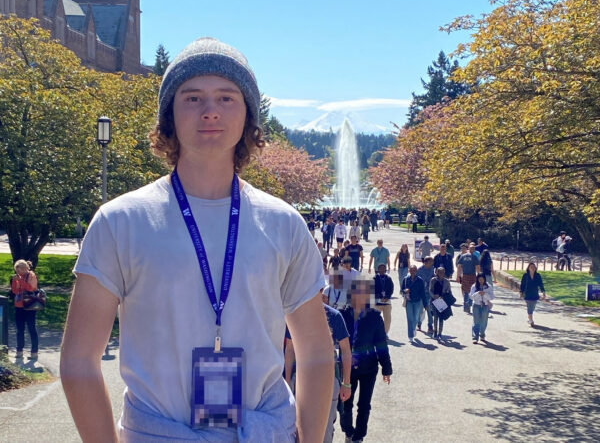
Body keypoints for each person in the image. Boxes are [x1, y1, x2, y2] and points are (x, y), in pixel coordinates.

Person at [60, 38, 334, 442]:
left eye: (226, 97)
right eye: (192, 98)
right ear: (169, 114)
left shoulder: (283, 223)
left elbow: (315, 352)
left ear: (248, 116)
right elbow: (79, 360)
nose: (209, 111)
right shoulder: (121, 221)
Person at [284, 300, 352, 443]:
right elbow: (289, 350)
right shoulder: (294, 315)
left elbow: (346, 350)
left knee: (325, 429)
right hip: (300, 379)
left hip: (327, 379)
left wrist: (346, 383)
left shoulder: (334, 316)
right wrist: (288, 381)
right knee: (298, 426)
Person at [340, 279, 392, 442]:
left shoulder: (375, 317)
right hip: (347, 366)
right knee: (344, 404)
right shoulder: (342, 315)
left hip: (369, 367)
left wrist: (386, 368)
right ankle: (348, 431)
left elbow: (381, 344)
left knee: (364, 405)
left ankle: (358, 436)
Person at [10, 259, 39, 360]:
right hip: (19, 305)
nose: (18, 273)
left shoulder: (31, 275)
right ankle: (19, 351)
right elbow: (14, 291)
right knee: (20, 329)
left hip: (30, 305)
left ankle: (34, 352)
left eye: (19, 270)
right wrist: (14, 281)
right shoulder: (17, 277)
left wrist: (21, 280)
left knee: (31, 328)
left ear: (24, 268)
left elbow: (31, 288)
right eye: (16, 271)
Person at [401, 265, 428, 343]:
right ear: (409, 270)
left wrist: (425, 304)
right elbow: (402, 289)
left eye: (414, 270)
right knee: (410, 318)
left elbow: (423, 293)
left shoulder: (420, 280)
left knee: (416, 318)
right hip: (408, 301)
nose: (412, 272)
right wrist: (404, 291)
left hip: (417, 301)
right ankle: (410, 335)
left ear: (416, 271)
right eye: (411, 270)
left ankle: (413, 328)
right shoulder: (405, 279)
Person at [428, 267, 452, 340]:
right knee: (435, 317)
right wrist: (434, 296)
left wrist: (445, 294)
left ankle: (440, 333)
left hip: (442, 301)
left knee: (441, 317)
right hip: (435, 301)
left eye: (442, 272)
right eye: (439, 272)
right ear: (436, 272)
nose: (441, 273)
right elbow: (430, 290)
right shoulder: (433, 280)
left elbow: (449, 291)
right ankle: (435, 332)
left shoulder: (446, 281)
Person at [469, 273, 494, 344]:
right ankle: (475, 337)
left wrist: (485, 294)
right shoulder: (474, 286)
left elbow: (492, 297)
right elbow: (471, 296)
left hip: (485, 305)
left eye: (482, 279)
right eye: (479, 279)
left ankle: (482, 334)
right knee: (476, 321)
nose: (481, 281)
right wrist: (477, 293)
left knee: (484, 321)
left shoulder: (488, 286)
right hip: (476, 305)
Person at [456, 243, 481, 313]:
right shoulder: (474, 257)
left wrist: (458, 275)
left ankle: (466, 306)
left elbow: (459, 266)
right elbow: (477, 268)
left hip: (465, 275)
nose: (472, 250)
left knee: (466, 290)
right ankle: (469, 304)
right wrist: (479, 275)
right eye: (472, 248)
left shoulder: (463, 256)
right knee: (471, 290)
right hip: (472, 275)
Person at [520, 262, 546, 327]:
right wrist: (521, 292)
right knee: (529, 306)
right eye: (531, 267)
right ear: (528, 268)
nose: (532, 268)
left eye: (534, 267)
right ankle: (531, 320)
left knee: (533, 306)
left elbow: (540, 284)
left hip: (535, 293)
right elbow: (522, 284)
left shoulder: (538, 275)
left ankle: (529, 318)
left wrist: (543, 291)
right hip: (527, 293)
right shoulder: (525, 275)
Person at [373, 263, 394, 335]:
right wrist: (379, 297)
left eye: (383, 268)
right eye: (380, 268)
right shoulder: (374, 278)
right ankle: (376, 333)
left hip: (387, 302)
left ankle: (385, 333)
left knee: (387, 319)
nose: (382, 270)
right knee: (375, 319)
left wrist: (387, 297)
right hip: (377, 303)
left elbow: (391, 289)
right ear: (378, 270)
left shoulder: (388, 278)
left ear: (385, 269)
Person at [416, 256, 435, 333]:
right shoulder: (419, 270)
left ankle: (430, 326)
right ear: (426, 262)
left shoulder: (432, 269)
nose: (432, 263)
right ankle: (419, 324)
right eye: (431, 261)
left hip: (429, 293)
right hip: (421, 293)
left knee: (430, 310)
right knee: (420, 310)